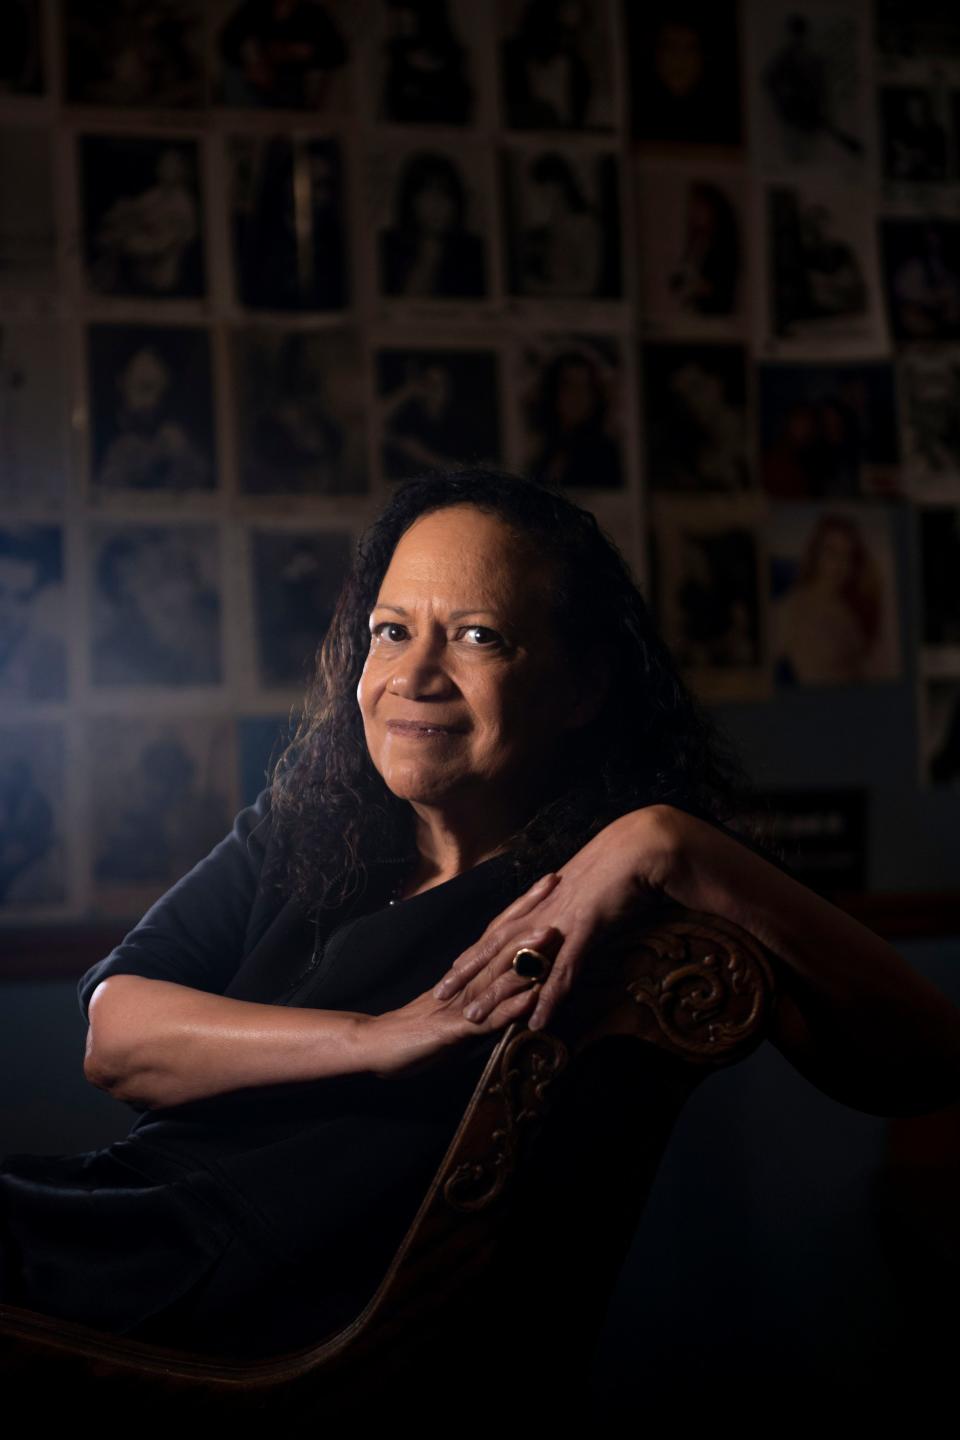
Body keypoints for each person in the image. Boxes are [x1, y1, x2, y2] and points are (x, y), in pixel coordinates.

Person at [1, 470, 958, 1367]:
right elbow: (116, 1038)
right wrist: (382, 1037)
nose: (413, 676)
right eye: (389, 630)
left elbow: (923, 1058)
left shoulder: (615, 897)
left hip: (255, 1333)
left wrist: (676, 841)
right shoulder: (302, 829)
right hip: (120, 1238)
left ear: (582, 688)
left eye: (476, 636)